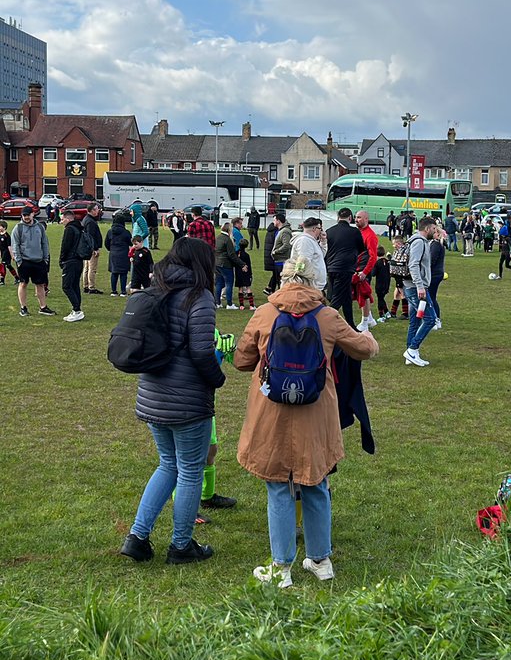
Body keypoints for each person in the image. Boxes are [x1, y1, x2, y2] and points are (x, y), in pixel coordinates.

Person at [233, 254, 378, 588]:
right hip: (316, 415)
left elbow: (242, 361)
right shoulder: (328, 317)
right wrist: (370, 339)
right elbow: (363, 349)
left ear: (284, 279)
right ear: (317, 282)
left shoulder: (264, 313)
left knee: (278, 489)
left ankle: (281, 567)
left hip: (271, 415)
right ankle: (319, 559)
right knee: (317, 484)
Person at [120, 238, 226, 565]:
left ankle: (137, 536)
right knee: (190, 471)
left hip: (153, 394)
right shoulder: (200, 297)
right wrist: (218, 379)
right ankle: (181, 545)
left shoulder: (156, 289)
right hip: (187, 401)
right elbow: (201, 352)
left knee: (168, 465)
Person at [402, 215, 438, 366]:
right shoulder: (419, 242)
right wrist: (420, 286)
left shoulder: (414, 240)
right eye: (434, 229)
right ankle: (412, 349)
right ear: (427, 228)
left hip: (412, 286)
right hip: (416, 288)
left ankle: (410, 354)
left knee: (415, 320)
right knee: (430, 319)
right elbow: (413, 265)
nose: (435, 232)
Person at [10, 205, 56, 316]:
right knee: (23, 284)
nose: (26, 217)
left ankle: (43, 307)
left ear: (33, 214)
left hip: (39, 261)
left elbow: (44, 243)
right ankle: (23, 308)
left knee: (40, 284)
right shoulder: (18, 228)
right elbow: (15, 245)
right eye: (24, 215)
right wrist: (19, 260)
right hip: (24, 261)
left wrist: (45, 258)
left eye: (28, 214)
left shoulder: (39, 227)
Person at [325, 208, 366, 328]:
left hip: (331, 267)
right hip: (345, 268)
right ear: (350, 218)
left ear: (338, 217)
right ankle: (324, 323)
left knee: (346, 297)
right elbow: (361, 249)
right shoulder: (354, 232)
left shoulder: (329, 231)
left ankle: (351, 325)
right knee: (336, 300)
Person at [354, 209, 379, 331]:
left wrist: (365, 272)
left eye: (359, 217)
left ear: (366, 219)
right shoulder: (359, 232)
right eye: (356, 217)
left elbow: (373, 256)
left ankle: (365, 322)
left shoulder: (370, 235)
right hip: (358, 267)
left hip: (363, 269)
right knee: (363, 294)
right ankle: (369, 318)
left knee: (363, 294)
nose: (356, 219)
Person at [59, 207, 85, 322]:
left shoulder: (69, 229)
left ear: (68, 219)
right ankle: (76, 310)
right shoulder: (80, 228)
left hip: (70, 260)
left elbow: (65, 246)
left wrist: (62, 260)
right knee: (74, 285)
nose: (61, 221)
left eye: (62, 219)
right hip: (79, 260)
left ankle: (77, 310)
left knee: (66, 286)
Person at [290, 216, 327, 289]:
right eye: (320, 229)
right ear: (314, 229)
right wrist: (304, 284)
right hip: (309, 286)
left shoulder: (311, 240)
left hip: (314, 285)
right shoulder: (305, 241)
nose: (321, 231)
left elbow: (320, 257)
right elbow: (302, 263)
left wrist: (323, 242)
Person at [105, 211, 132, 296]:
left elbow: (106, 243)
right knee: (123, 273)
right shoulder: (126, 232)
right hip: (123, 253)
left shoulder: (110, 232)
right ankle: (123, 291)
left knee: (114, 272)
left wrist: (111, 249)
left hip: (113, 253)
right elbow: (130, 243)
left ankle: (113, 291)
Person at [215, 220, 239, 309]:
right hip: (225, 264)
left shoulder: (218, 238)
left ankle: (217, 303)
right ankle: (229, 304)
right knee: (229, 283)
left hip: (217, 263)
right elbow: (232, 254)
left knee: (218, 283)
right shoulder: (227, 240)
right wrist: (241, 264)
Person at [82, 201, 104, 295]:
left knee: (86, 267)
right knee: (92, 268)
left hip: (87, 247)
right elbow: (91, 236)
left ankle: (86, 285)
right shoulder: (90, 222)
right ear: (92, 210)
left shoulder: (86, 219)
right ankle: (91, 287)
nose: (98, 211)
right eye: (97, 209)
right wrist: (95, 248)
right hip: (91, 248)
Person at [428, 224, 446, 329]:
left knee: (431, 298)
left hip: (434, 274)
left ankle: (435, 319)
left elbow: (432, 260)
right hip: (437, 273)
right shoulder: (438, 244)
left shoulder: (435, 245)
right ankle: (435, 319)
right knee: (431, 297)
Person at [270, 211, 293, 289]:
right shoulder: (281, 231)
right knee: (279, 281)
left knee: (281, 282)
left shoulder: (285, 231)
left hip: (282, 260)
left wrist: (276, 251)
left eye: (274, 220)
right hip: (278, 260)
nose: (273, 222)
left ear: (278, 221)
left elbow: (287, 245)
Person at [388, 235, 410, 319]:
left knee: (402, 292)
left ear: (398, 243)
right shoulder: (398, 251)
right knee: (396, 293)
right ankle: (393, 312)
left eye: (394, 244)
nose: (393, 246)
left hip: (401, 274)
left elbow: (401, 262)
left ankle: (405, 313)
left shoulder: (404, 251)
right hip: (397, 274)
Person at [236, 236, 256, 310]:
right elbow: (249, 265)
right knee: (248, 288)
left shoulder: (236, 253)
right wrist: (250, 274)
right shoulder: (247, 255)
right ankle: (251, 305)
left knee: (240, 288)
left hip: (238, 273)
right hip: (246, 273)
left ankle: (241, 305)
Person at [373, 245, 391, 321]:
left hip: (379, 284)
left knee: (380, 299)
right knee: (382, 298)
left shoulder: (377, 263)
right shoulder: (387, 262)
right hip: (387, 283)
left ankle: (381, 316)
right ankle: (387, 312)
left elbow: (373, 274)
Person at [263, 220, 279, 294]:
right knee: (276, 273)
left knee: (275, 273)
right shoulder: (276, 232)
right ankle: (270, 288)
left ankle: (269, 288)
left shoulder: (270, 231)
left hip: (269, 254)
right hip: (274, 255)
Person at [0, 220, 19, 285]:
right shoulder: (0, 235)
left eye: (0, 226)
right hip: (3, 253)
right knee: (8, 266)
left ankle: (2, 281)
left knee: (3, 265)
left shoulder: (6, 236)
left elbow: (9, 247)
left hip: (7, 253)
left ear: (4, 227)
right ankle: (17, 278)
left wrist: (12, 255)